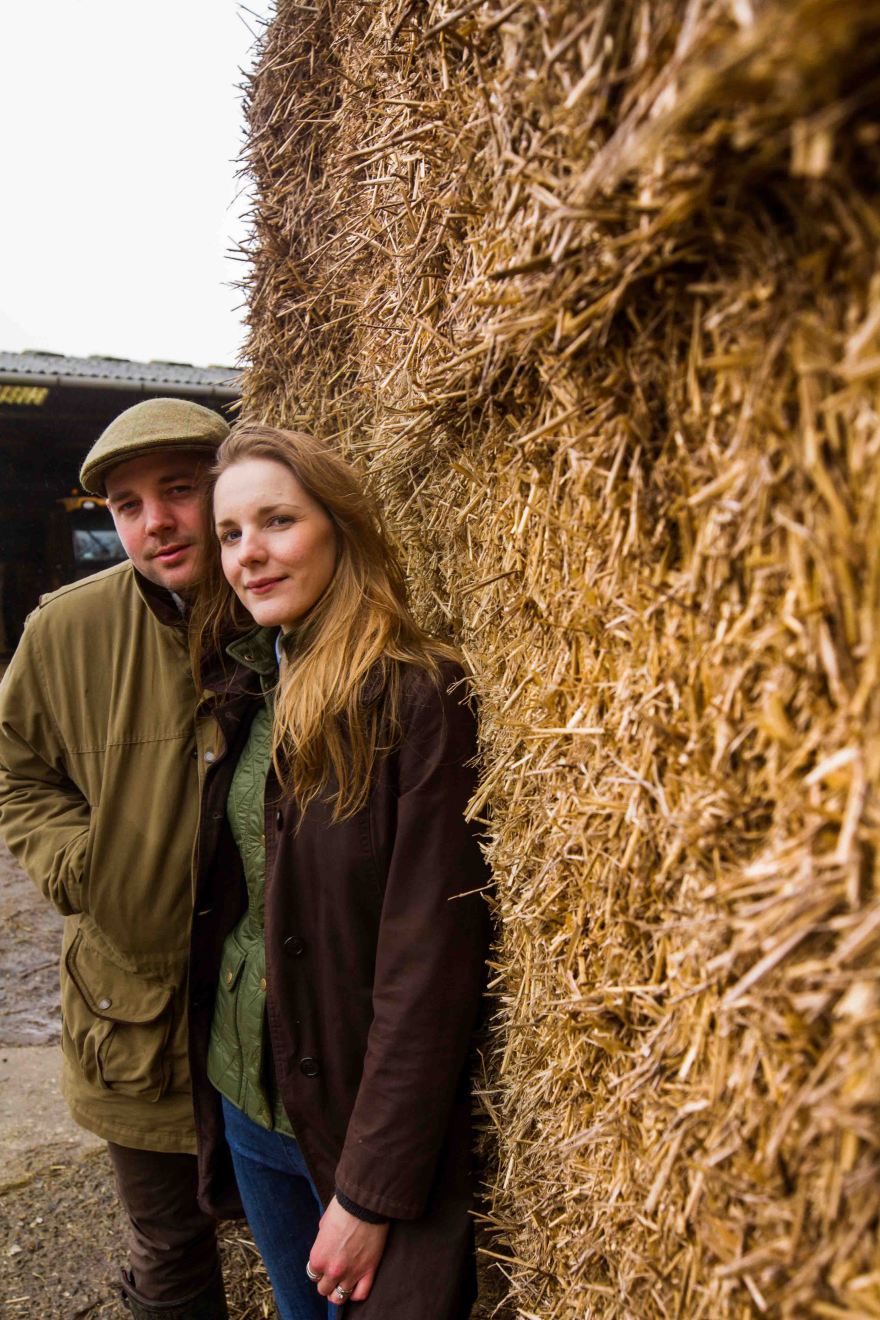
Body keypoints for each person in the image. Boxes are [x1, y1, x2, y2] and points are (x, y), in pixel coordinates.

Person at [187, 424, 491, 1318]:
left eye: (276, 521)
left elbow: (428, 966)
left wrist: (369, 1193)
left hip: (354, 1129)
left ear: (340, 525)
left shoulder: (415, 695)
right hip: (248, 1099)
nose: (250, 555)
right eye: (233, 534)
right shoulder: (247, 685)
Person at [0, 398, 236, 1320]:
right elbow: (17, 772)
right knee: (170, 1249)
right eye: (128, 506)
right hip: (134, 1012)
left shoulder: (297, 604)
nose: (156, 521)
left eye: (179, 489)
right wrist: (82, 868)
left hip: (282, 1007)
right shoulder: (63, 633)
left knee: (304, 1240)